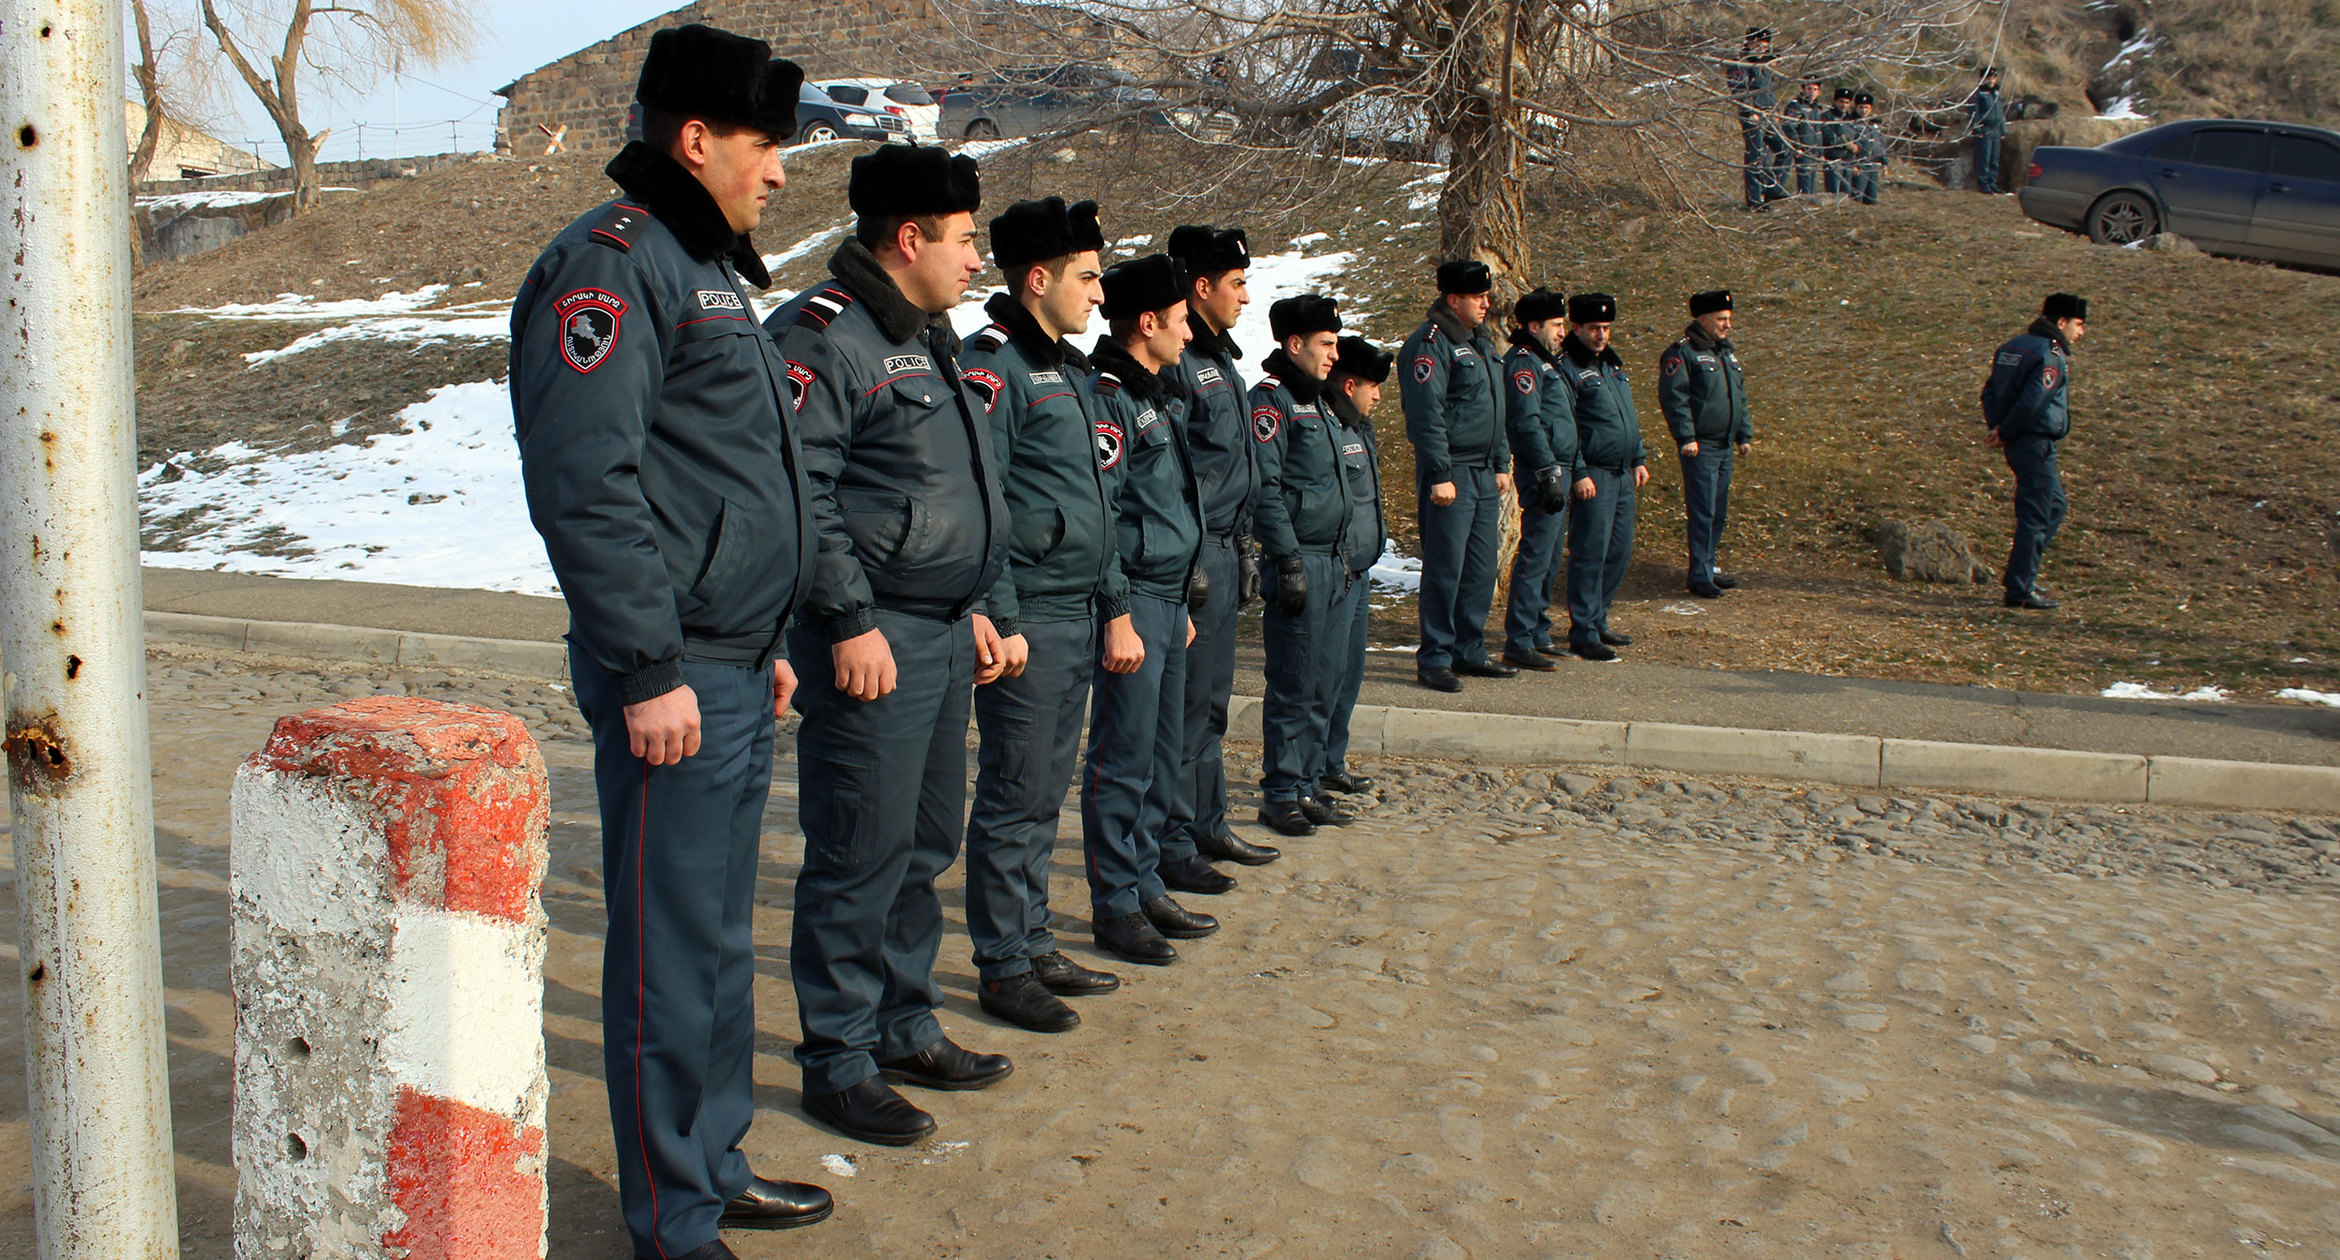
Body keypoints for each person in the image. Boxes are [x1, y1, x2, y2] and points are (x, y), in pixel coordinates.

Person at [512, 25, 831, 1258]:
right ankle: (672, 1219)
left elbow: (723, 476)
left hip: (732, 662)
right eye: (764, 145)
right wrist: (648, 667)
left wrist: (764, 635)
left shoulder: (703, 268)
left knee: (716, 941)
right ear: (696, 139)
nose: (781, 171)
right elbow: (588, 484)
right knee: (666, 949)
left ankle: (714, 1163)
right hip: (673, 674)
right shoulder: (613, 266)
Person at [766, 143, 1015, 1148]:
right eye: (964, 241)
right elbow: (803, 495)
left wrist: (977, 600)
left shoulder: (927, 334)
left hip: (941, 630)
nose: (976, 260)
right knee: (858, 853)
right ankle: (838, 1060)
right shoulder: (827, 336)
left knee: (923, 844)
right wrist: (848, 620)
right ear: (908, 239)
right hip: (874, 636)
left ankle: (904, 1024)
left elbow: (954, 485)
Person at [956, 196, 1122, 1034]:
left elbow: (1092, 498)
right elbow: (982, 499)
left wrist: (1111, 603)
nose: (1099, 293)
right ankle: (1003, 964)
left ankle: (1034, 938)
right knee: (1014, 793)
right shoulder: (994, 367)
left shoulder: (1069, 369)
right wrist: (1003, 615)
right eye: (1087, 277)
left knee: (1045, 792)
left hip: (1074, 609)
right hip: (1030, 616)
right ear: (1037, 278)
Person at [1083, 253, 1218, 964]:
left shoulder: (1159, 395)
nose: (1189, 334)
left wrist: (1182, 594)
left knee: (1162, 753)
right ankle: (1115, 903)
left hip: (1167, 599)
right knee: (1124, 757)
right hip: (1133, 599)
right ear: (1146, 323)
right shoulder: (1109, 397)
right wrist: (1118, 612)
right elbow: (1105, 516)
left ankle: (1143, 883)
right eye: (1180, 321)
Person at [1164, 225, 1279, 872]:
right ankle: (1173, 839)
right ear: (1201, 286)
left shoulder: (1221, 360)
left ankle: (1207, 823)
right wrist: (1190, 558)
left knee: (1211, 703)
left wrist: (1246, 548)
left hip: (1225, 548)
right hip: (1196, 550)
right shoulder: (1179, 360)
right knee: (1186, 707)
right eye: (1236, 283)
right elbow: (1169, 472)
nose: (1245, 296)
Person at [1250, 295, 1354, 836]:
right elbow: (1265, 488)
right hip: (1301, 562)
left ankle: (1307, 783)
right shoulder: (1273, 402)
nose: (1335, 354)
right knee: (1294, 683)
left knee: (1323, 681)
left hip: (1332, 561)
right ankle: (1280, 793)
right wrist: (1287, 560)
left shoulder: (1320, 400)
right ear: (1295, 344)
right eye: (1326, 344)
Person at [1400, 260, 1514, 693]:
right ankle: (1435, 656)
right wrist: (1439, 473)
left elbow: (1496, 406)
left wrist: (1501, 461)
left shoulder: (1480, 342)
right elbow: (1426, 415)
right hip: (1453, 474)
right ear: (1453, 300)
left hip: (1483, 471)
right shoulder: (1431, 344)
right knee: (1446, 569)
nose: (1486, 304)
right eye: (1477, 297)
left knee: (1481, 568)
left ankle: (1469, 648)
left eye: (1486, 296)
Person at [1319, 334, 1392, 796]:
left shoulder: (1360, 427)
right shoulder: (1331, 427)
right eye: (1373, 386)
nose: (1379, 396)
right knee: (1325, 676)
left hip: (1360, 570)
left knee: (1349, 673)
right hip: (1338, 570)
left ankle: (1331, 760)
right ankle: (1306, 772)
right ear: (1350, 386)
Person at [1981, 293, 2087, 610]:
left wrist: (1998, 427)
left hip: (2017, 439)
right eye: (2079, 324)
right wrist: (2006, 431)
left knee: (2054, 506)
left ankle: (2022, 573)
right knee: (2037, 513)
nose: (2081, 333)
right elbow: (2034, 401)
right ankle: (2020, 588)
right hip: (2035, 440)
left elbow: (1989, 392)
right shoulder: (2050, 354)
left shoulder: (2013, 347)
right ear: (2062, 322)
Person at [1557, 293, 1646, 662]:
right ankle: (1583, 629)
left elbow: (1627, 414)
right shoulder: (1569, 368)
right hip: (1594, 473)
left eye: (1606, 328)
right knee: (1590, 553)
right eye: (1594, 328)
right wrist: (1579, 471)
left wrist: (1638, 458)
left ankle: (1599, 617)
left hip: (1622, 473)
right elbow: (1568, 425)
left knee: (1618, 552)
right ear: (1576, 327)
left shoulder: (1611, 364)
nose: (1601, 335)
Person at [1658, 290, 1754, 599]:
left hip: (1724, 445)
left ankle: (1708, 566)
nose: (1728, 325)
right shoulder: (1682, 353)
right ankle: (1699, 574)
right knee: (1703, 511)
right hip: (1701, 447)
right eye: (1721, 319)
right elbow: (1675, 398)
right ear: (1703, 319)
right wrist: (1686, 437)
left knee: (1718, 512)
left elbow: (1738, 397)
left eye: (1729, 319)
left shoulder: (1725, 353)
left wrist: (1743, 435)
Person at [1499, 287, 1576, 670]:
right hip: (1543, 469)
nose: (1563, 332)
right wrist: (1547, 471)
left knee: (1549, 555)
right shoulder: (1524, 363)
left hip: (1560, 465)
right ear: (1534, 326)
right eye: (1556, 324)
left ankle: (1538, 629)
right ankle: (1519, 638)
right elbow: (1526, 423)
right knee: (1535, 554)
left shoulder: (1547, 361)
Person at [1728, 27, 1788, 210]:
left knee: (1784, 150)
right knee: (1755, 157)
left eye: (1764, 45)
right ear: (1748, 43)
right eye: (1757, 45)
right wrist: (1749, 111)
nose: (1761, 49)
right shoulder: (1740, 64)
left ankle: (1772, 189)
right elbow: (1738, 90)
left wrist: (1775, 111)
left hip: (1769, 114)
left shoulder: (1767, 64)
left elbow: (1770, 91)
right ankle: (1754, 200)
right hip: (1752, 115)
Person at [1783, 77, 1827, 196]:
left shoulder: (1817, 108)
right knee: (1805, 183)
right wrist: (1797, 146)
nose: (1812, 92)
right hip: (1803, 149)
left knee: (1811, 184)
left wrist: (1821, 152)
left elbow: (1819, 131)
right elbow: (1789, 127)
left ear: (1819, 92)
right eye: (1809, 89)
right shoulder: (1796, 105)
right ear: (1803, 90)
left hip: (1814, 150)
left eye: (1815, 89)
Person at [1969, 67, 2008, 194]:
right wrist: (1977, 130)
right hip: (1985, 129)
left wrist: (2003, 130)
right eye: (1989, 78)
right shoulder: (1979, 93)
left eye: (1993, 78)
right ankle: (1983, 184)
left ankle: (1992, 183)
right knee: (1984, 158)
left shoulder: (1996, 93)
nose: (1991, 80)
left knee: (1994, 160)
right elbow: (1974, 113)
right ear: (1983, 79)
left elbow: (2001, 113)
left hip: (1996, 129)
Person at [1849, 92, 1888, 205]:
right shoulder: (1851, 123)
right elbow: (1849, 146)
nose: (1864, 110)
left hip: (1873, 165)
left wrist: (1884, 162)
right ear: (1856, 107)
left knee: (1872, 200)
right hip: (1860, 165)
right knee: (1857, 199)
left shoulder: (1875, 124)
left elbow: (1881, 143)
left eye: (1866, 107)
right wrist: (1852, 165)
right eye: (1861, 107)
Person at [1822, 86, 1856, 195]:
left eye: (1847, 102)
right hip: (1833, 158)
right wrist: (1846, 144)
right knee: (1833, 192)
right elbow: (1828, 136)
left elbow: (1855, 135)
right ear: (1835, 101)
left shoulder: (1851, 118)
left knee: (1846, 193)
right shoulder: (1827, 116)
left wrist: (1856, 147)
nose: (1843, 105)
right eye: (1841, 101)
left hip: (1848, 160)